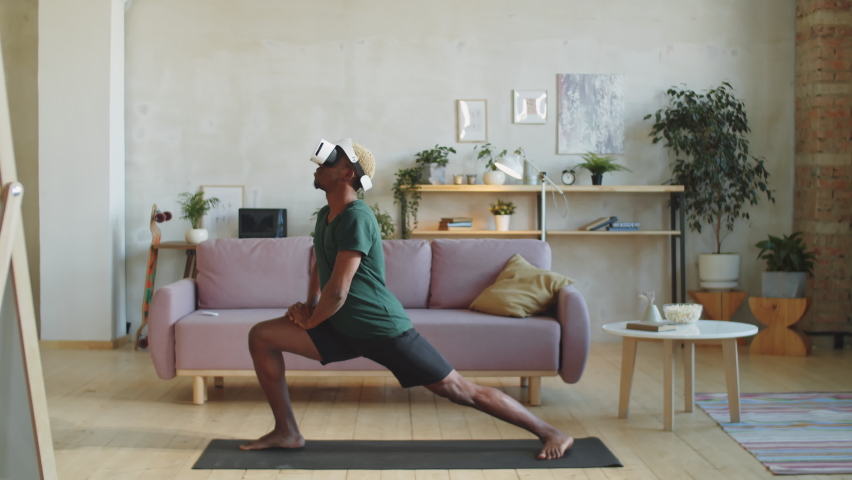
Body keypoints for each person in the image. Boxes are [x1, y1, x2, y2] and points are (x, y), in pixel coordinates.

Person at [240, 140, 573, 460]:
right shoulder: (325, 215)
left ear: (347, 174)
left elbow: (340, 289)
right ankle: (287, 431)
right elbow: (321, 263)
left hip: (379, 327)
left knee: (458, 389)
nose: (319, 166)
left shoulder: (357, 217)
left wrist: (312, 319)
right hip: (339, 324)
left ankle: (550, 432)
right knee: (262, 336)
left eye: (332, 161)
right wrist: (311, 302)